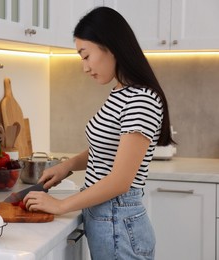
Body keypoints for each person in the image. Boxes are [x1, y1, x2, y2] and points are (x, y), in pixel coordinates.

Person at [23, 6, 175, 260]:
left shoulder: (141, 99)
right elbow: (107, 147)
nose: (84, 67)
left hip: (120, 225)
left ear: (110, 47)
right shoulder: (121, 92)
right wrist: (67, 165)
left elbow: (120, 181)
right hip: (109, 221)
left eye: (85, 55)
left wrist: (60, 205)